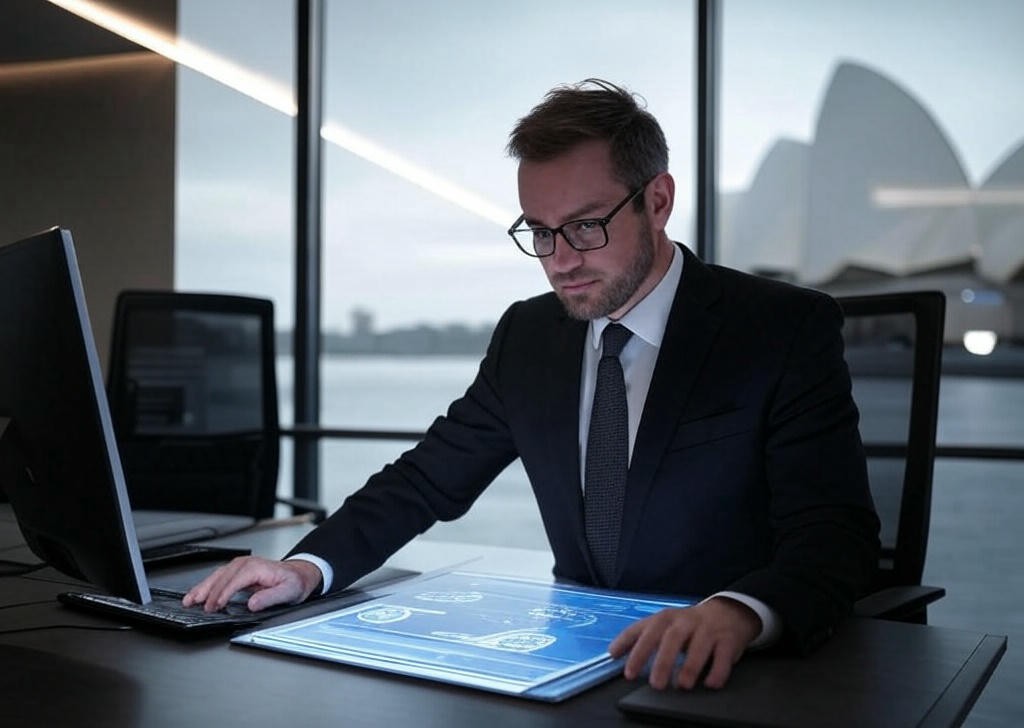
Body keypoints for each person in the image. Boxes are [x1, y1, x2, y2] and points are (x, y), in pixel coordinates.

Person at [185, 79, 880, 691]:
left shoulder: (780, 328)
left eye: (584, 226)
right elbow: (426, 481)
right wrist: (308, 568)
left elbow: (835, 535)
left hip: (734, 676)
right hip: (575, 662)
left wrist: (739, 613)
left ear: (658, 201)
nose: (561, 261)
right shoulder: (530, 335)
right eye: (540, 232)